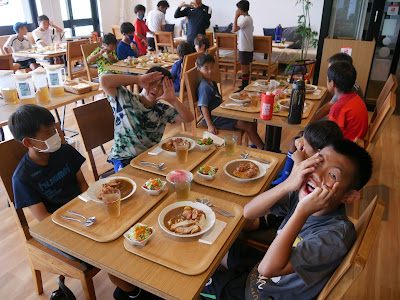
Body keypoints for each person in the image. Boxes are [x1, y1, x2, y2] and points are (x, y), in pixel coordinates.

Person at [9, 105, 154, 300]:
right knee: (109, 253)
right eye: (48, 133)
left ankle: (137, 281)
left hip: (84, 212)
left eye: (55, 129)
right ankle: (133, 292)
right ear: (29, 142)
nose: (56, 135)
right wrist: (84, 221)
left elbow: (83, 186)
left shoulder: (65, 151)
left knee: (131, 220)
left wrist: (100, 197)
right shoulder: (23, 177)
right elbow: (44, 219)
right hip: (59, 226)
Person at [201, 139, 373, 300]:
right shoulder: (301, 195)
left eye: (333, 175)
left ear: (349, 196)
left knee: (195, 286)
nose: (317, 173)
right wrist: (289, 182)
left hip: (265, 293)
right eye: (319, 162)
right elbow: (249, 212)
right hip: (262, 267)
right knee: (213, 244)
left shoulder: (334, 237)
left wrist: (301, 212)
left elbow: (268, 269)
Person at [100, 67, 194, 172]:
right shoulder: (126, 98)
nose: (156, 89)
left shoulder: (161, 109)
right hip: (124, 158)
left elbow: (188, 118)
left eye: (161, 86)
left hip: (149, 157)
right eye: (152, 83)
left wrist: (173, 99)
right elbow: (104, 80)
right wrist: (138, 79)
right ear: (144, 81)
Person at [196, 53, 264, 149]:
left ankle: (253, 146)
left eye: (212, 67)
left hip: (221, 114)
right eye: (206, 68)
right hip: (215, 119)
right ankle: (263, 149)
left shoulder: (211, 83)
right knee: (249, 126)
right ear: (199, 70)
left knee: (251, 121)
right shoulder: (204, 87)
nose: (210, 70)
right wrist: (210, 125)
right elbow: (203, 107)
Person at [270, 120, 343, 193]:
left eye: (305, 144)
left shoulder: (315, 169)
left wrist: (298, 163)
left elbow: (294, 188)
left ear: (318, 152)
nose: (302, 145)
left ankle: (285, 177)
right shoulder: (328, 157)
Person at [311, 52, 364, 122]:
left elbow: (329, 107)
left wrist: (310, 120)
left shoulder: (342, 95)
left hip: (346, 121)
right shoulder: (349, 81)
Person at [327, 62, 368, 141]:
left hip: (345, 148)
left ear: (332, 83)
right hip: (356, 142)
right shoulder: (355, 97)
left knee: (298, 138)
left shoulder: (338, 108)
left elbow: (332, 139)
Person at [232, 0, 253, 91]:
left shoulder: (246, 19)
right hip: (247, 47)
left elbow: (234, 29)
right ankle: (245, 86)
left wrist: (236, 17)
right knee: (245, 67)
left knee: (244, 68)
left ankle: (244, 87)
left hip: (245, 47)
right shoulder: (248, 18)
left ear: (240, 9)